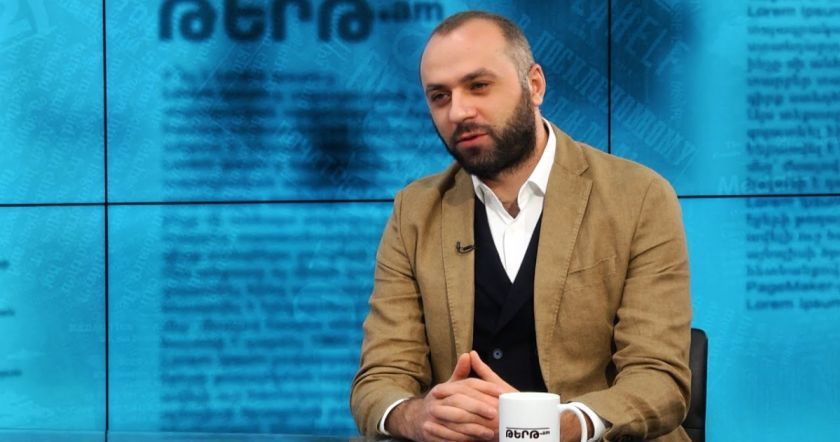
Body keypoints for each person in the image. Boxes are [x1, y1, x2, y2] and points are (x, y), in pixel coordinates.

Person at [350, 10, 691, 442]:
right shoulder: (414, 212)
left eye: (478, 85)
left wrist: (557, 425)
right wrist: (416, 416)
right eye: (439, 96)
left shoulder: (639, 197)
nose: (458, 111)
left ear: (535, 85)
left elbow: (659, 380)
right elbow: (379, 379)